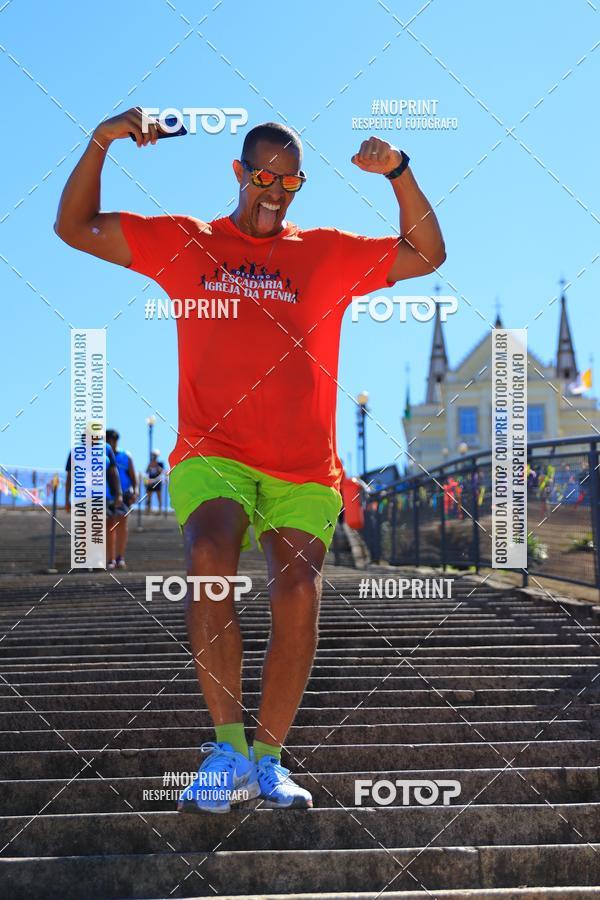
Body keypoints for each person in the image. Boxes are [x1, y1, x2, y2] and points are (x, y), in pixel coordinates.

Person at [54, 110, 445, 812]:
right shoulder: (186, 242)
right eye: (263, 176)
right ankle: (228, 747)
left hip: (305, 466)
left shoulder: (323, 253)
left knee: (297, 590)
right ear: (239, 173)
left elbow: (426, 253)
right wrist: (102, 141)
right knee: (208, 551)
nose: (275, 191)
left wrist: (399, 172)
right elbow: (73, 228)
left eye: (290, 180)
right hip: (215, 452)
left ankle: (268, 761)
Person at [65, 434, 126, 569]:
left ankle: (108, 559)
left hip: (103, 495)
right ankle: (89, 559)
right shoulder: (75, 452)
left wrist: (119, 493)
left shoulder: (106, 449)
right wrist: (67, 499)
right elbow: (70, 477)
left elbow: (113, 473)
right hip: (83, 496)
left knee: (105, 526)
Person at [106, 429, 138, 568]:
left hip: (124, 493)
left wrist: (135, 490)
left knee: (121, 524)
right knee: (108, 526)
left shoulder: (126, 456)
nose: (111, 443)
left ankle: (120, 556)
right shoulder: (103, 455)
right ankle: (110, 558)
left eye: (113, 440)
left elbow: (133, 476)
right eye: (108, 440)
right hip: (107, 494)